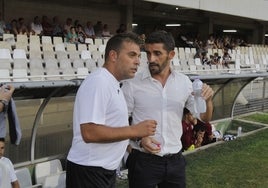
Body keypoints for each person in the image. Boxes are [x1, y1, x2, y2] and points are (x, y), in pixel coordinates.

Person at [122, 30, 214, 188]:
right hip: (143, 161)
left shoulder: (184, 82)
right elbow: (120, 120)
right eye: (148, 53)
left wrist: (209, 100)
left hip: (175, 161)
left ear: (171, 54)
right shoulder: (132, 83)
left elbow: (204, 118)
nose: (151, 59)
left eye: (157, 53)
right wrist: (139, 139)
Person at [66, 32, 157, 188]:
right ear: (113, 55)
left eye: (139, 57)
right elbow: (89, 132)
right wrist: (135, 130)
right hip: (89, 171)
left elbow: (113, 127)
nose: (137, 62)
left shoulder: (112, 83)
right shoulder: (99, 82)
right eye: (132, 55)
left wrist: (138, 138)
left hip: (101, 171)